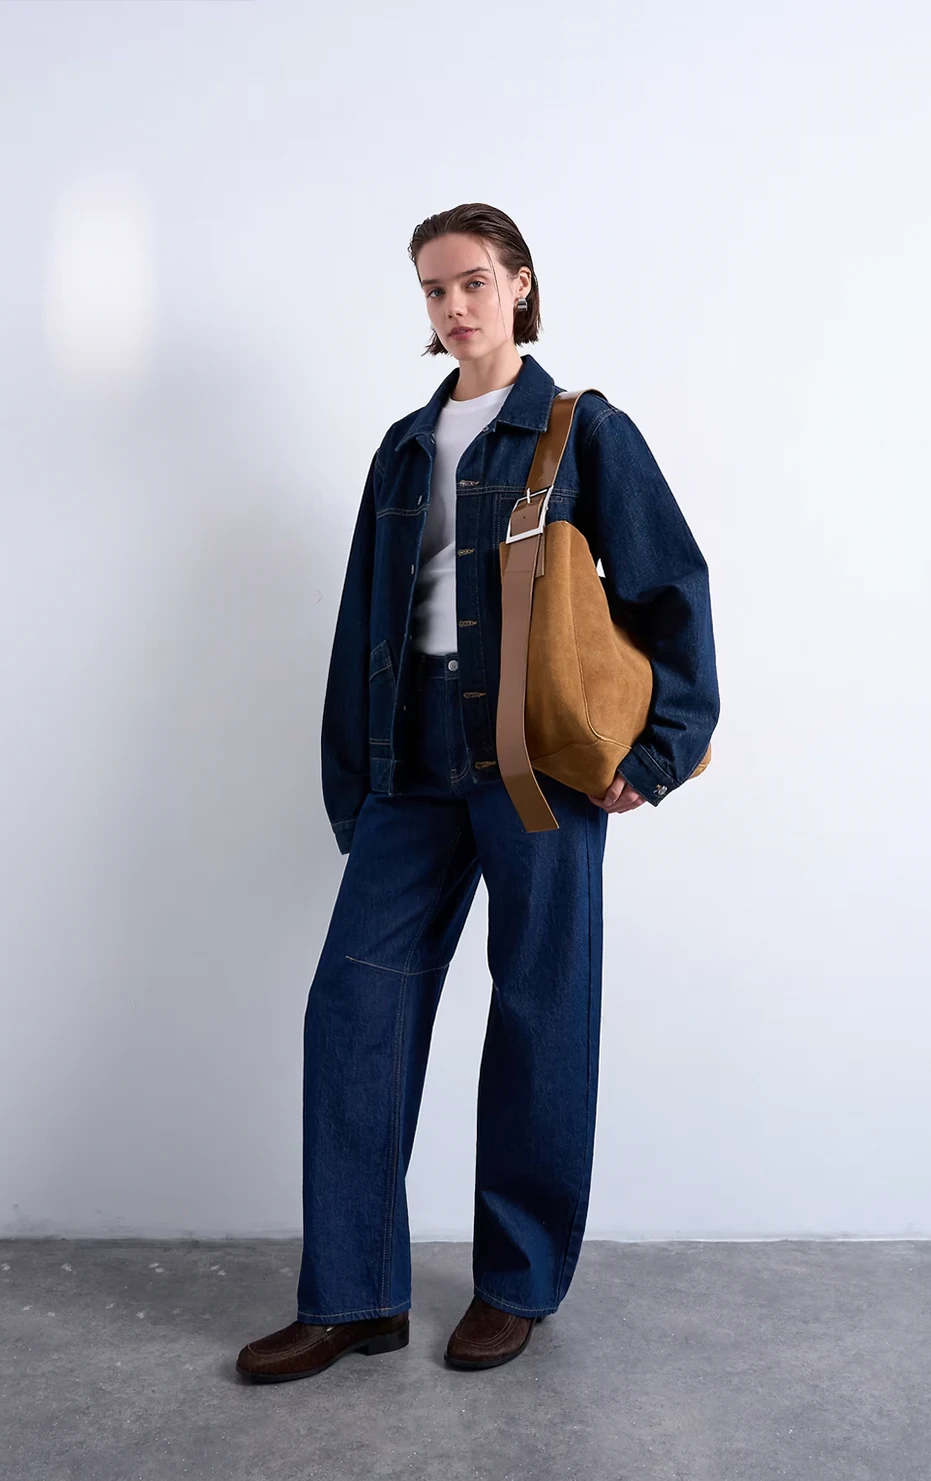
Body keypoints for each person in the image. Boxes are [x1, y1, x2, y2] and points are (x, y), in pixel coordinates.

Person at [236, 203, 720, 1384]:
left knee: (540, 1015)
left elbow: (672, 587)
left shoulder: (581, 430)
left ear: (520, 285)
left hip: (537, 771)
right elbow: (364, 617)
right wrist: (354, 781)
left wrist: (659, 750)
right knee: (351, 1011)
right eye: (432, 289)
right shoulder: (405, 445)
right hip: (411, 768)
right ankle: (354, 1296)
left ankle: (516, 1283)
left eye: (471, 282)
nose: (452, 306)